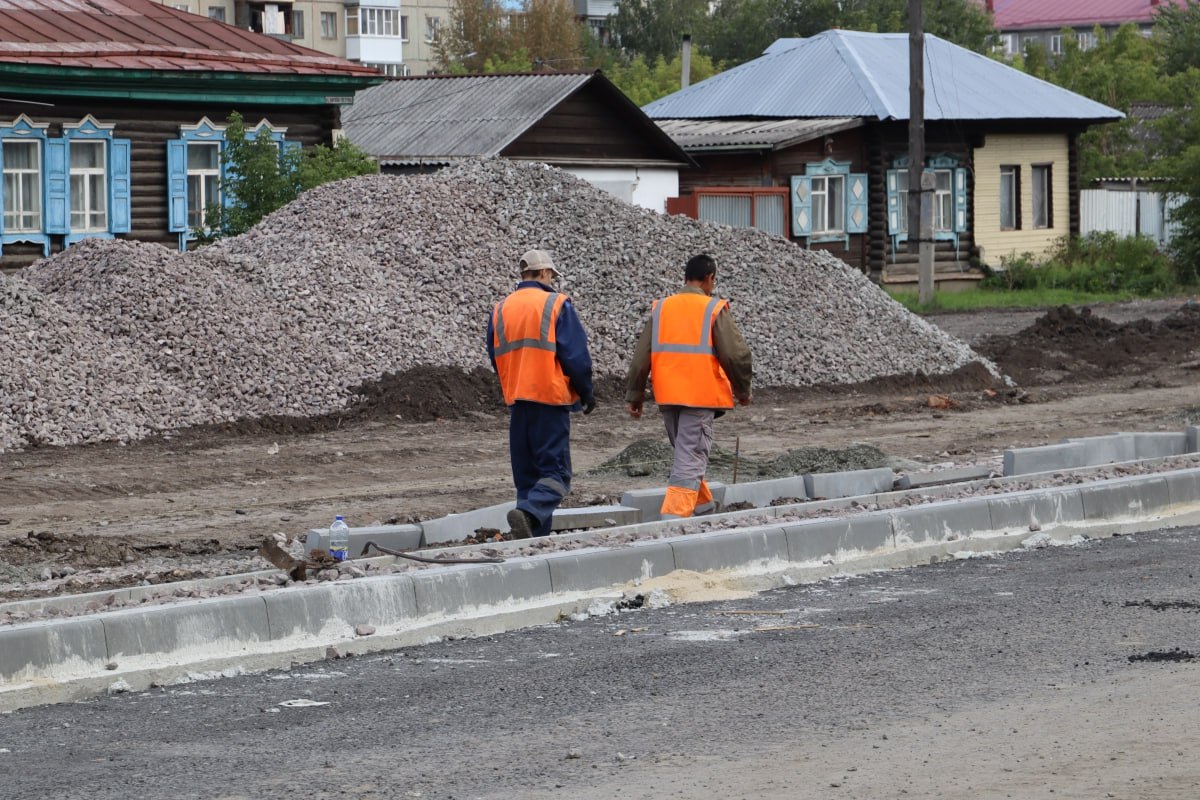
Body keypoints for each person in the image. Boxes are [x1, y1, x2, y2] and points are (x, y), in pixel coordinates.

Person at [625, 253, 752, 519]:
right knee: (690, 459)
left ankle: (704, 510)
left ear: (685, 277)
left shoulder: (661, 308)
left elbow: (641, 356)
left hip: (669, 397)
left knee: (687, 455)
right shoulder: (712, 308)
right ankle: (672, 521)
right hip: (699, 396)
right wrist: (742, 390)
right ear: (709, 279)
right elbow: (735, 355)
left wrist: (635, 395)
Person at [488, 249, 596, 539]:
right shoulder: (556, 304)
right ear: (545, 273)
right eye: (551, 276)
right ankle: (530, 513)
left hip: (518, 402)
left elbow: (495, 356)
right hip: (549, 400)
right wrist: (586, 392)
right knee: (556, 474)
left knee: (528, 478)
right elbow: (575, 356)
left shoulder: (501, 309)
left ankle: (534, 539)